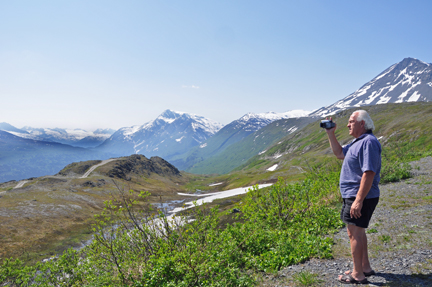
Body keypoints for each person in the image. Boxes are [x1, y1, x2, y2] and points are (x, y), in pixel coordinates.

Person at [325, 110, 381, 285]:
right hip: (356, 195)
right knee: (359, 231)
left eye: (351, 121)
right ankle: (364, 267)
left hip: (359, 196)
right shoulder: (359, 141)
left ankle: (357, 275)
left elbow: (369, 172)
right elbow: (339, 154)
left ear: (362, 123)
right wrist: (330, 133)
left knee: (353, 234)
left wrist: (358, 200)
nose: (348, 125)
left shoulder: (369, 142)